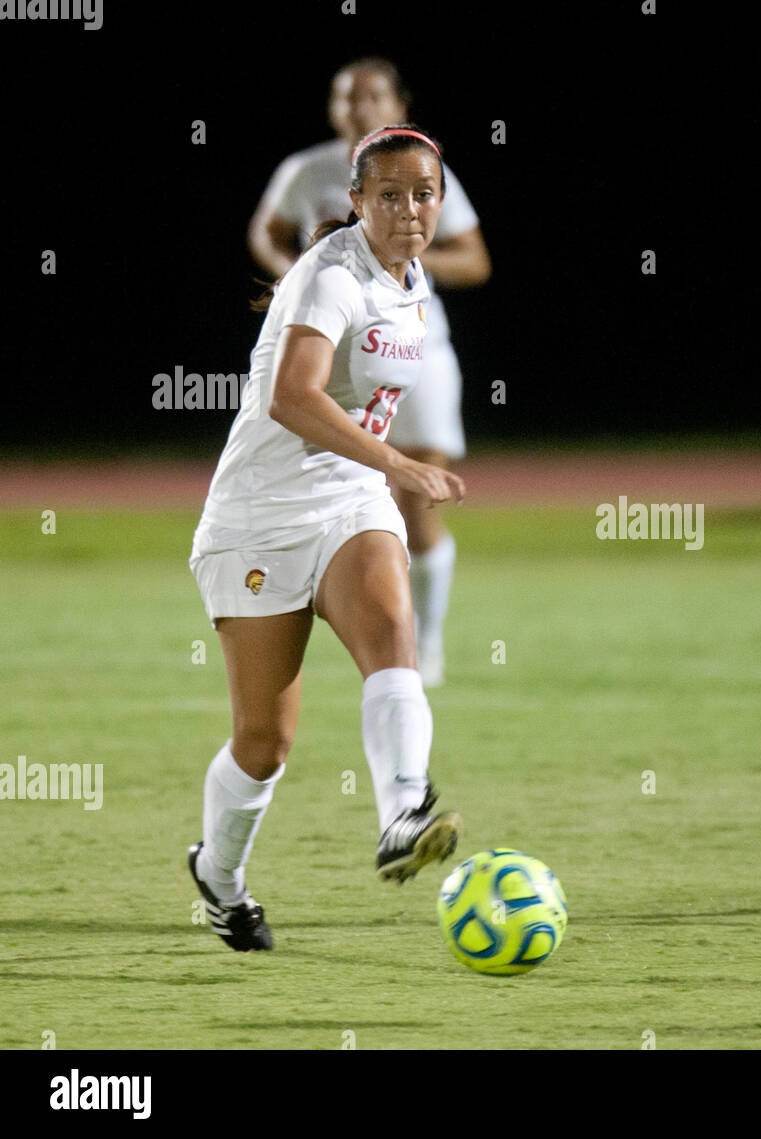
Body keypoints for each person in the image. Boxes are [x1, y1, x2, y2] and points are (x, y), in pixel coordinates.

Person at [188, 125, 466, 951]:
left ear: (440, 201)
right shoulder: (329, 273)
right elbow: (293, 399)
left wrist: (384, 476)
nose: (409, 209)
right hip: (257, 519)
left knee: (393, 638)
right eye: (389, 195)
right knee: (265, 743)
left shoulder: (411, 279)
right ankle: (220, 877)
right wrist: (404, 466)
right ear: (356, 202)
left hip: (348, 502)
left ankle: (402, 813)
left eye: (423, 194)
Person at [249, 57, 491, 687]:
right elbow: (266, 233)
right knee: (315, 485)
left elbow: (475, 260)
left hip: (413, 350)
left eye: (373, 97)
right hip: (334, 352)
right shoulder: (307, 172)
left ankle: (424, 644)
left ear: (398, 103)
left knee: (416, 504)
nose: (359, 109)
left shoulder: (422, 171)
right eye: (346, 98)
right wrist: (297, 275)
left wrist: (399, 251)